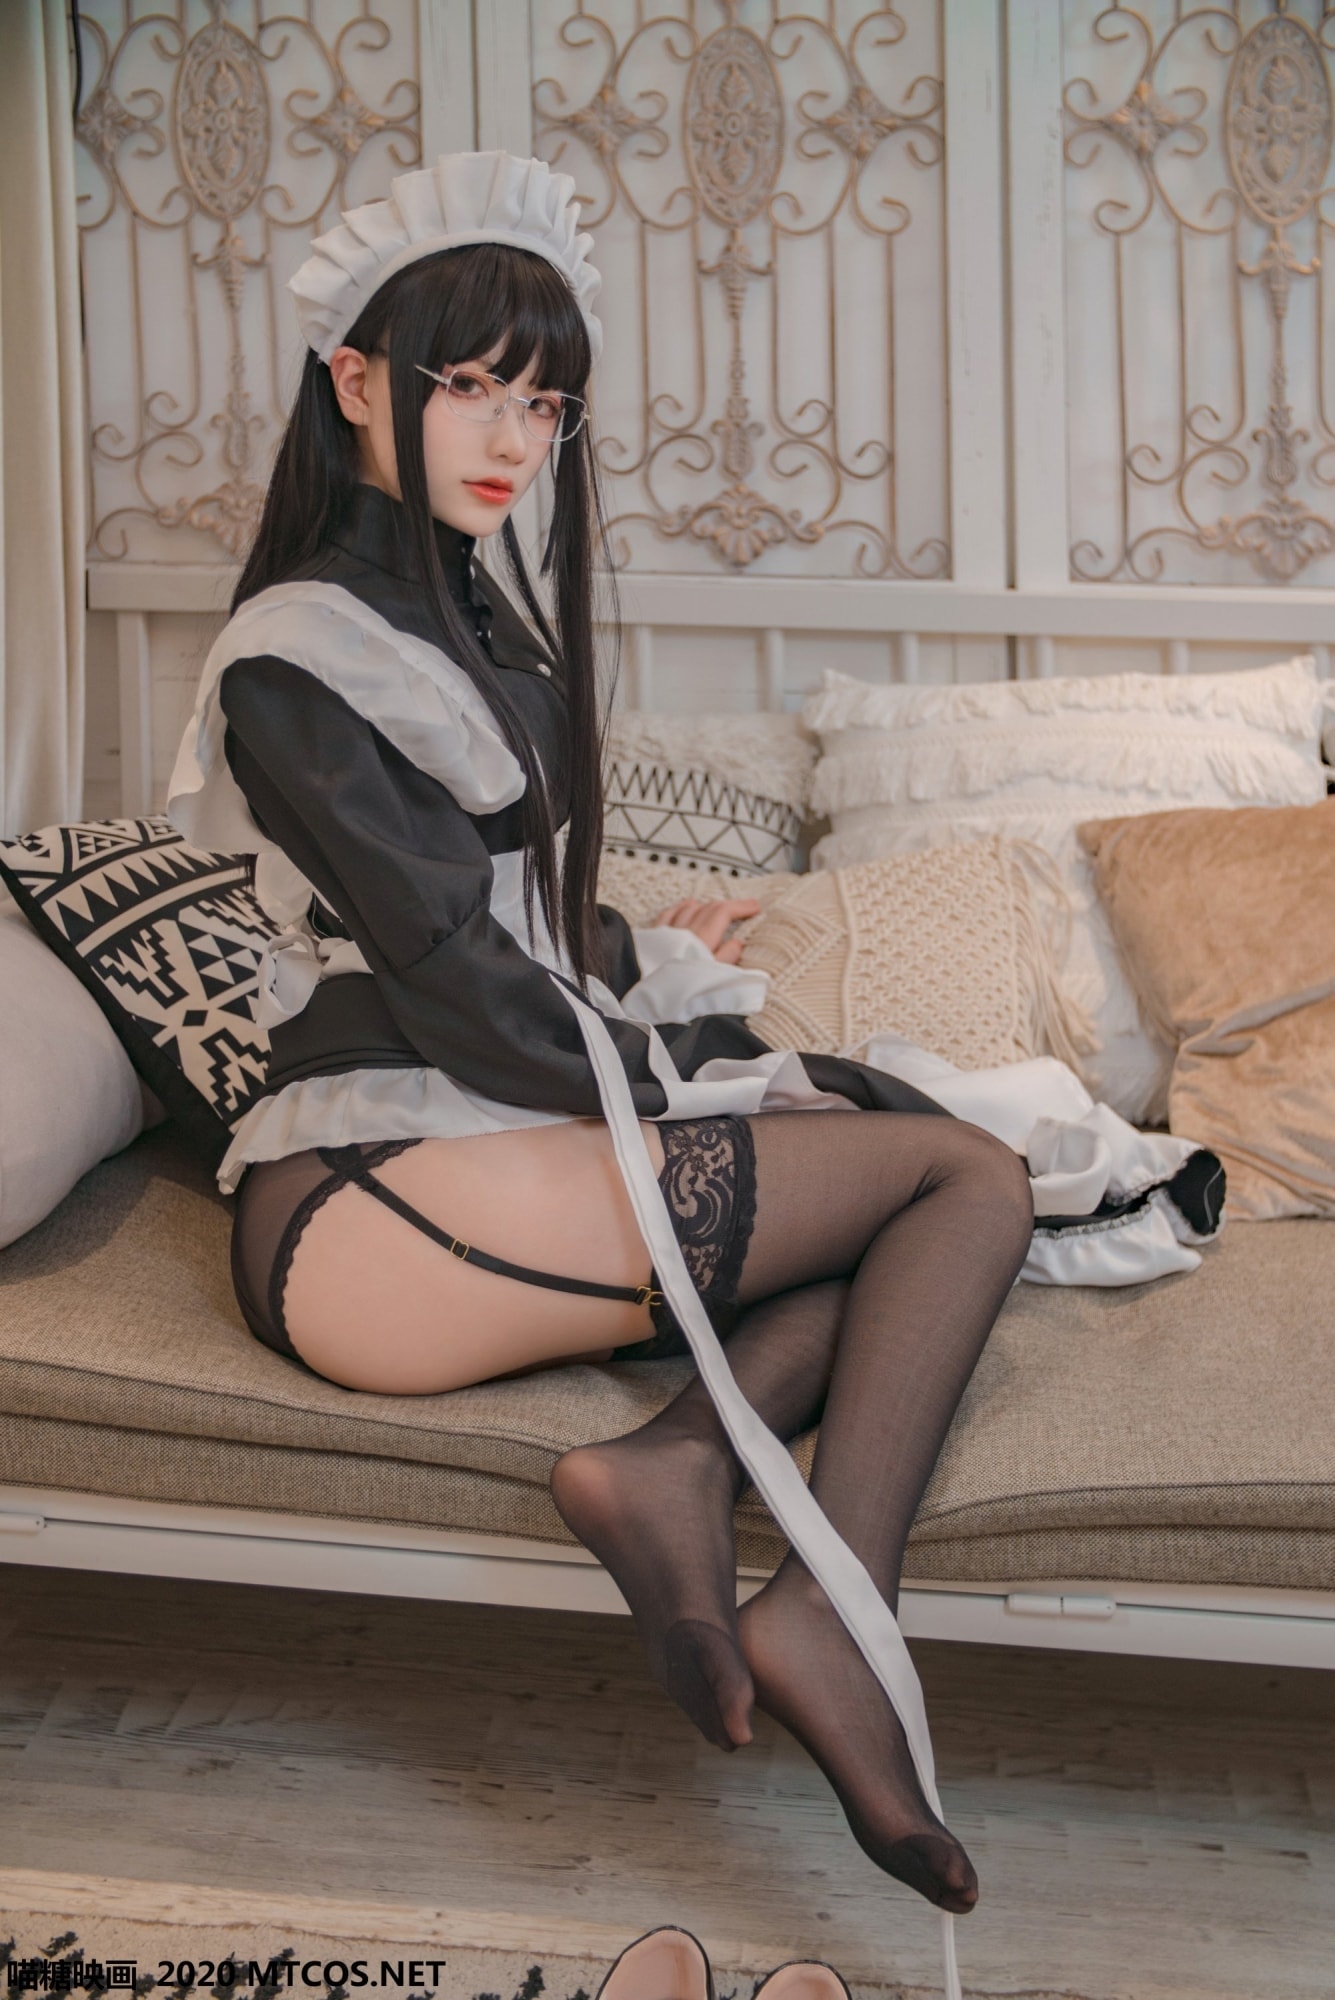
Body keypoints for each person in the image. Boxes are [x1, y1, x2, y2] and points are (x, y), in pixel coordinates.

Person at [166, 152, 1032, 1976]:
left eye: (546, 400)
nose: (515, 435)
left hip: (463, 1153)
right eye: (473, 384)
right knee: (963, 1177)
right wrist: (678, 1061)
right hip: (367, 1202)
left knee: (888, 1174)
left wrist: (653, 976)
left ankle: (673, 1469)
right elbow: (460, 986)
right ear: (355, 380)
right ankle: (833, 1607)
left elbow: (514, 927)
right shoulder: (294, 658)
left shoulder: (475, 609)